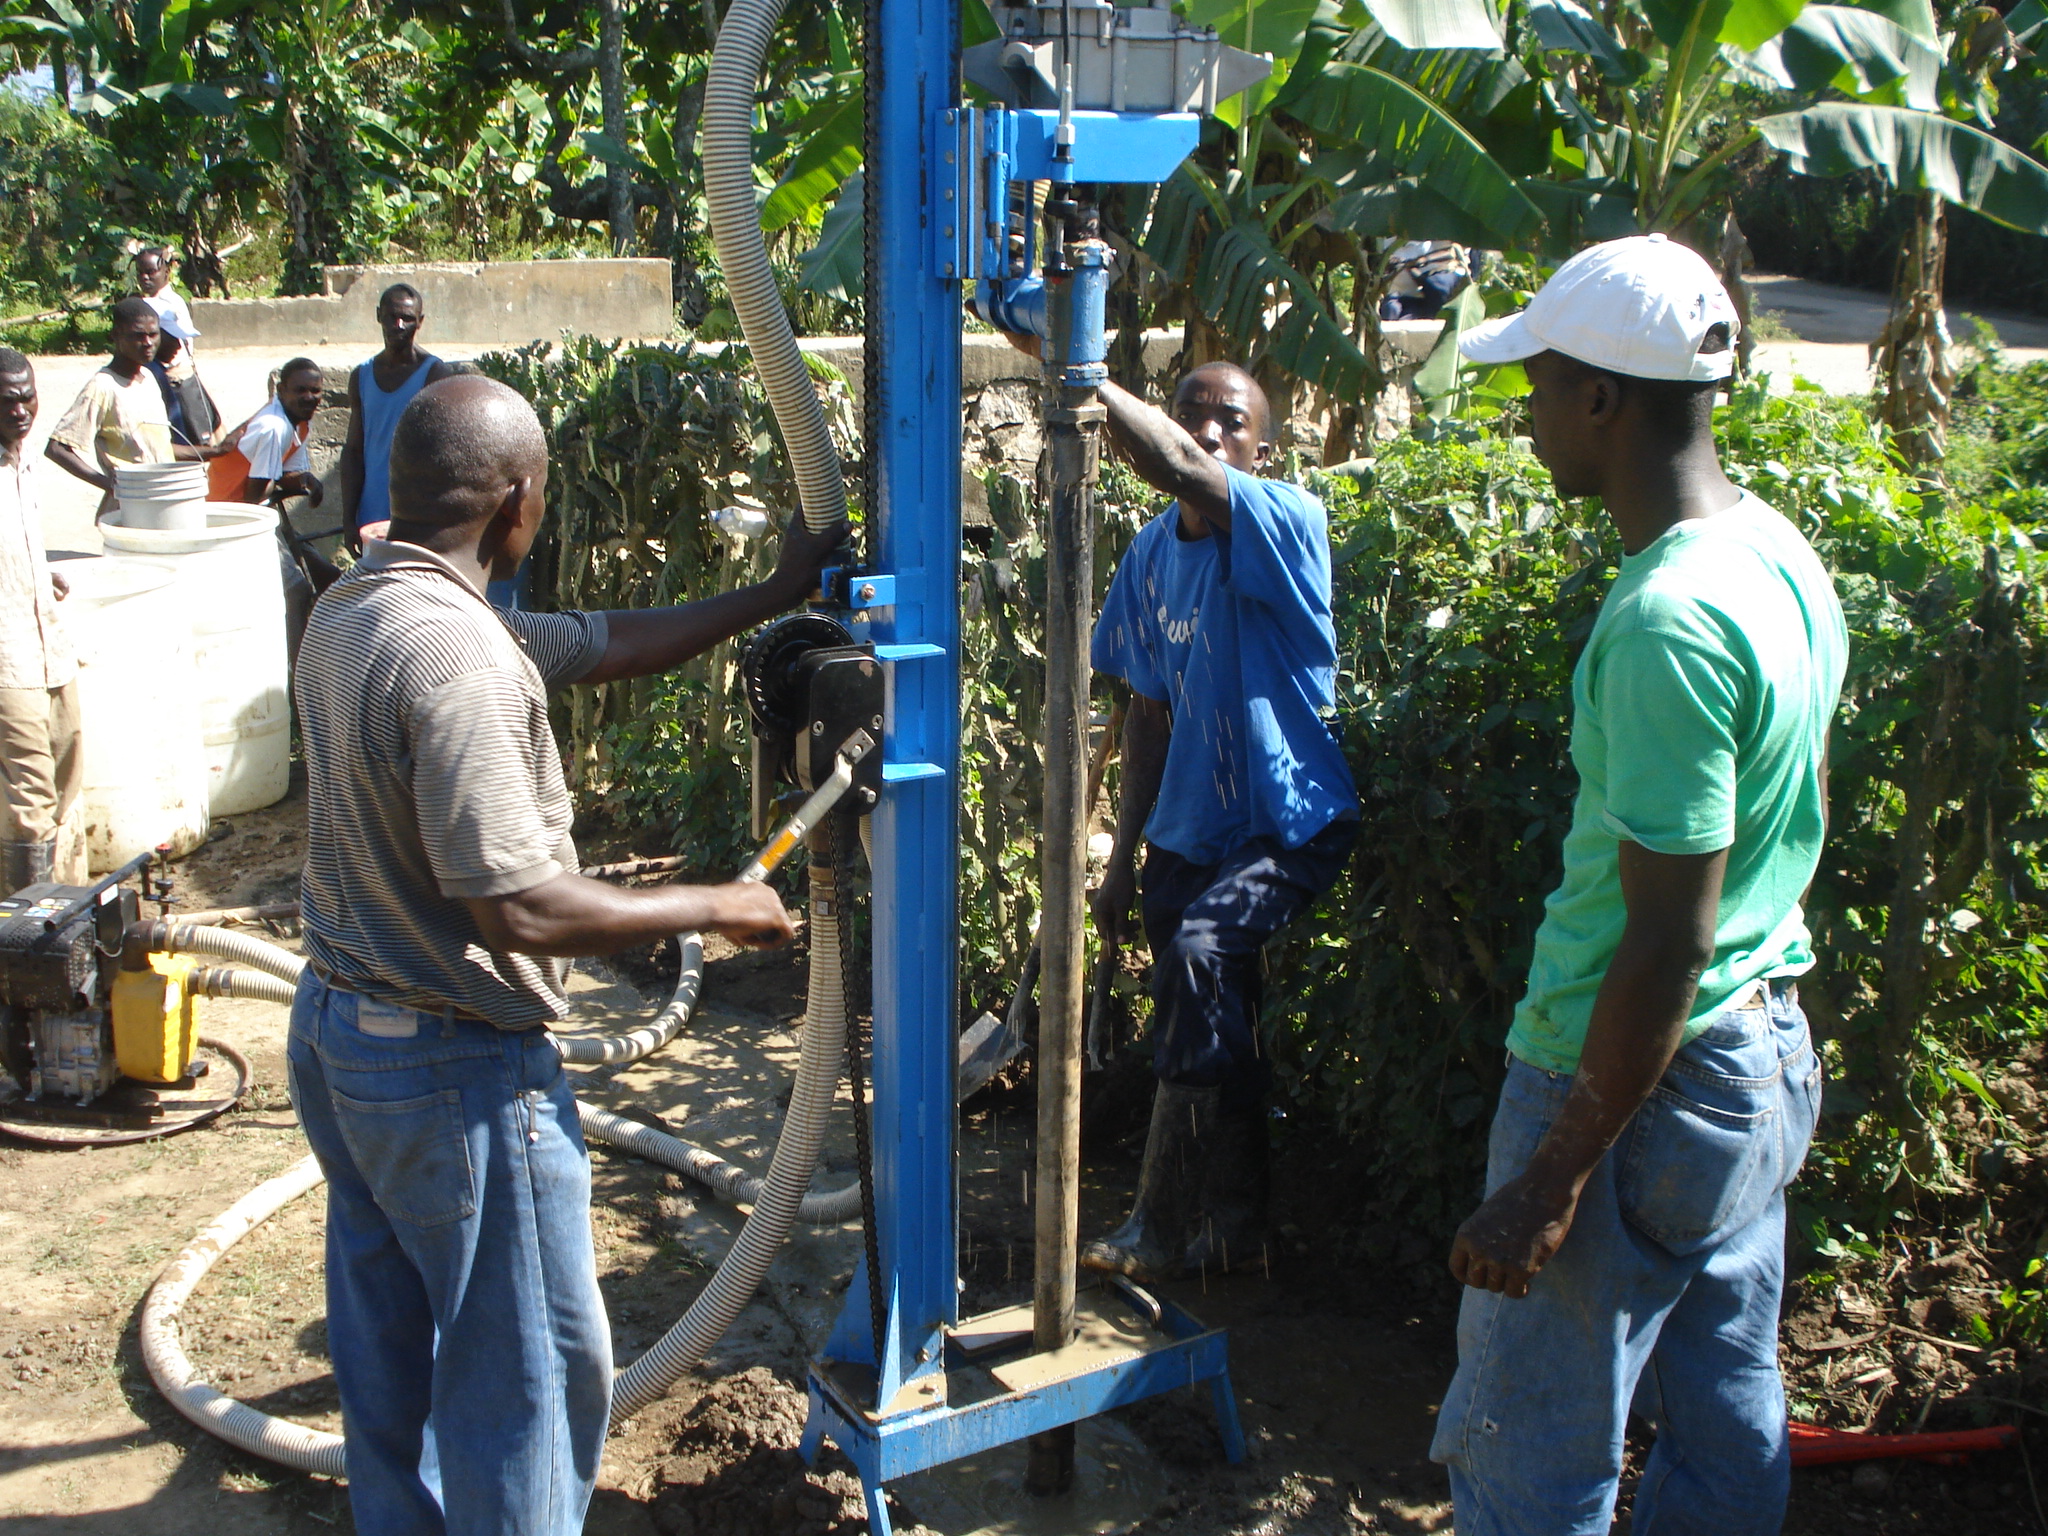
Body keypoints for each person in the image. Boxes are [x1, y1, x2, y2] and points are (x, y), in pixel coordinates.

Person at [288, 374, 844, 1536]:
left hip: (342, 1037)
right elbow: (521, 912)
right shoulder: (462, 661)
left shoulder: (360, 603)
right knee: (528, 1380)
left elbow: (601, 644)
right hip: (450, 1071)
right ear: (519, 500)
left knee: (390, 1346)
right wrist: (713, 903)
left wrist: (775, 591)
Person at [1429, 234, 1846, 1536]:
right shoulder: (1772, 550)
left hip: (1626, 1083)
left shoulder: (1669, 618)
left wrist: (1552, 1177)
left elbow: (1666, 937)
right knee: (1724, 1423)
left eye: (1541, 385)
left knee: (1525, 1459)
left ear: (1601, 400)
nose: (1528, 414)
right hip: (1754, 1053)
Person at [1079, 359, 1360, 1281]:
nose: (1209, 432)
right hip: (1190, 830)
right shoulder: (1151, 556)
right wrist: (1122, 862)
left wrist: (1077, 370)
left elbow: (1179, 467)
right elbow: (1148, 716)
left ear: (1261, 451)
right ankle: (1237, 1226)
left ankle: (1159, 1226)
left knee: (1202, 957)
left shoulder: (1286, 520)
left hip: (1288, 820)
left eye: (1231, 422)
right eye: (1192, 414)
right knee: (1214, 1009)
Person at [0, 350, 82, 892]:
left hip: (48, 642)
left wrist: (37, 572)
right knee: (30, 795)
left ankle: (68, 907)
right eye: (8, 401)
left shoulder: (23, 459)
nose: (21, 410)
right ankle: (29, 923)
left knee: (68, 771)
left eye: (27, 397)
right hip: (8, 657)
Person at [45, 297, 214, 518]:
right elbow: (57, 448)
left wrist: (215, 451)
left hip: (161, 501)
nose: (148, 342)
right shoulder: (103, 386)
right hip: (129, 508)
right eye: (138, 335)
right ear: (116, 335)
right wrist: (111, 485)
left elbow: (157, 447)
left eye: (153, 334)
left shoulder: (148, 378)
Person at [338, 282, 454, 548]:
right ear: (378, 315)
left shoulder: (435, 375)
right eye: (391, 316)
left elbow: (440, 454)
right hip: (371, 517)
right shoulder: (361, 376)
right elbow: (354, 451)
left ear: (420, 322)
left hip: (415, 519)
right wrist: (348, 519)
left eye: (407, 318)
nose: (398, 325)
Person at [208, 357, 326, 507]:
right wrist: (273, 481)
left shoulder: (301, 418)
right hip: (222, 508)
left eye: (315, 391)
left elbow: (284, 475)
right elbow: (254, 498)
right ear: (281, 390)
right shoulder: (273, 427)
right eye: (300, 390)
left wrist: (305, 479)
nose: (309, 397)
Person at [135, 246, 219, 447]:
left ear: (166, 272)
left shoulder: (167, 304)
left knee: (189, 444)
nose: (145, 278)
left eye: (151, 272)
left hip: (177, 381)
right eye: (140, 272)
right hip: (174, 380)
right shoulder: (150, 301)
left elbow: (175, 350)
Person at [1380, 240, 1470, 321]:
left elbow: (1450, 252)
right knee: (1391, 309)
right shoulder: (1380, 241)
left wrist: (1414, 264)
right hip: (1395, 293)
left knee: (1438, 287)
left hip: (1425, 291)